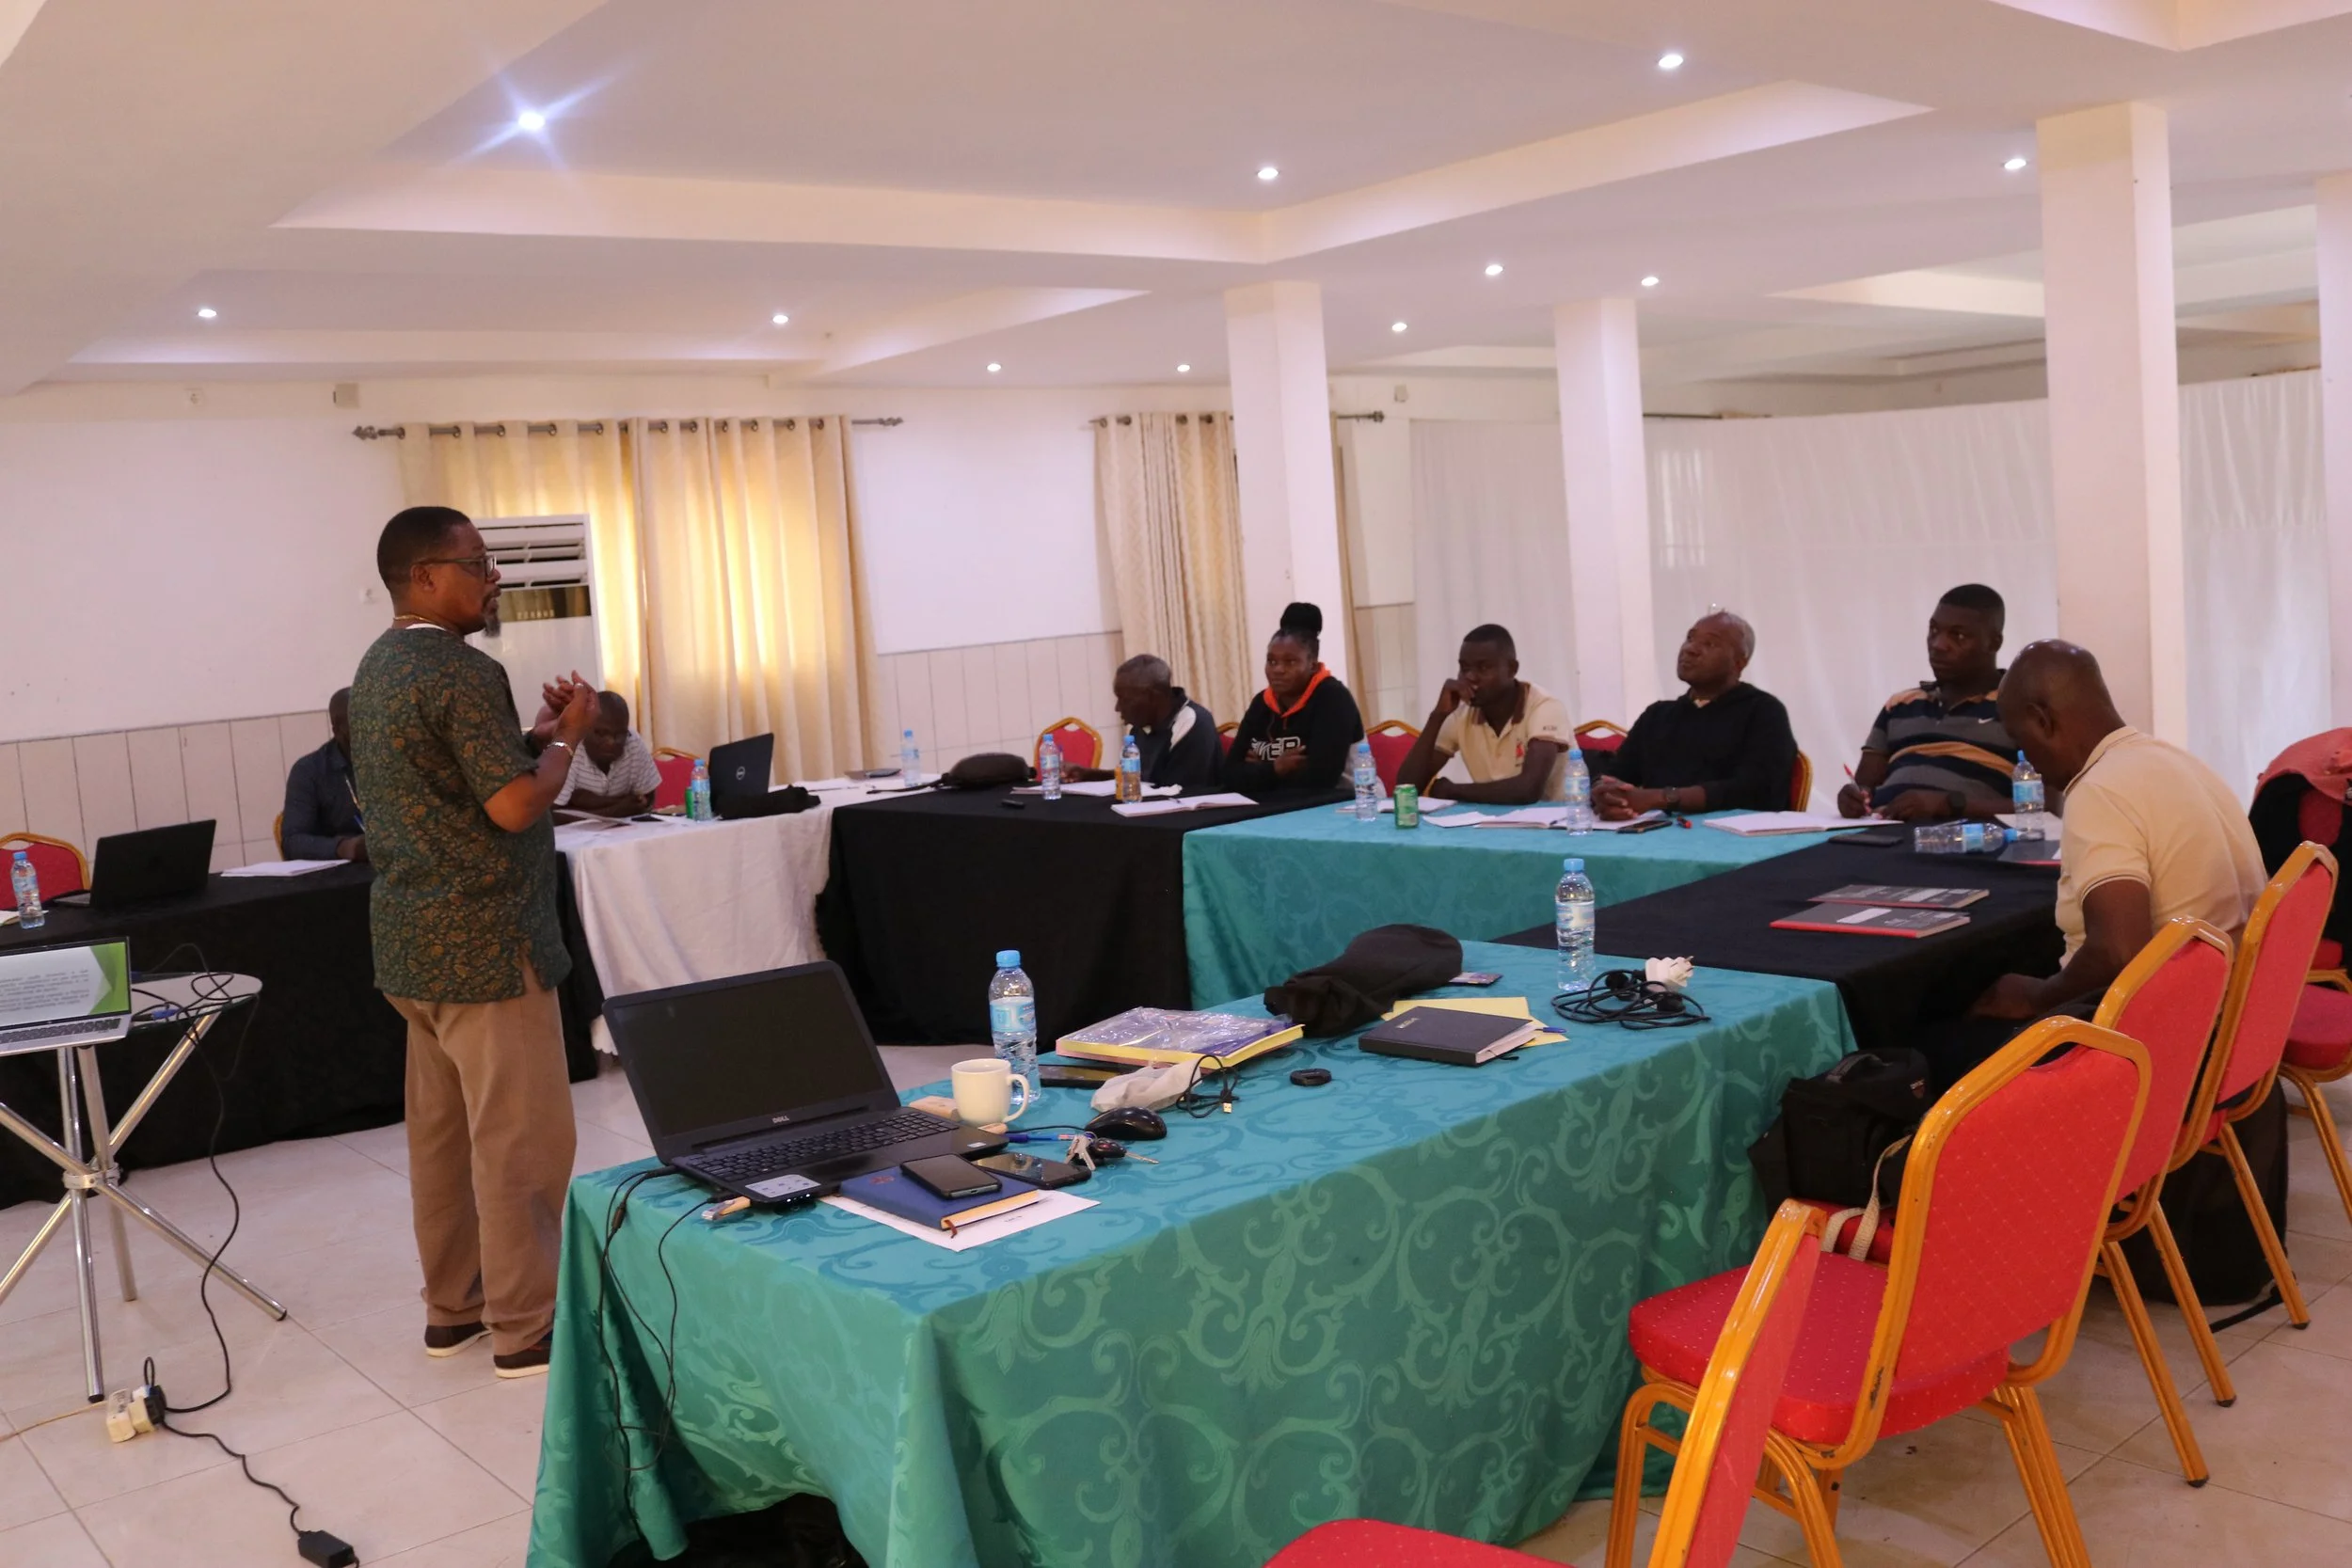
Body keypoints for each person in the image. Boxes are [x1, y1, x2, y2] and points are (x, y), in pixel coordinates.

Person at [349, 504, 597, 1379]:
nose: (493, 578)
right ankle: (527, 1324)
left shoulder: (377, 667)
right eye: (476, 563)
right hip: (488, 947)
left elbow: (457, 775)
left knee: (444, 1143)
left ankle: (453, 1309)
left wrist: (532, 736)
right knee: (518, 1142)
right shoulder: (459, 669)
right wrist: (567, 739)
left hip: (414, 949)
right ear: (423, 576)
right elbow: (513, 805)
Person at [1928, 640, 2265, 1090]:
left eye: (2021, 743)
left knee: (1933, 1049)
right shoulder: (2173, 760)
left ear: (2042, 720)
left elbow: (2119, 952)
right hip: (2234, 1033)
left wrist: (2037, 996)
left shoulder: (2099, 789)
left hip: (2159, 1054)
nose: (2027, 763)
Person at [1590, 611, 1799, 818]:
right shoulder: (1658, 715)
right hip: (1657, 835)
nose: (1690, 649)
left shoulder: (1763, 711)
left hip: (1737, 840)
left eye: (1709, 644)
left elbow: (1755, 789)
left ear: (1739, 663)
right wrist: (1606, 794)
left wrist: (1661, 798)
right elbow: (1617, 774)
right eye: (1690, 638)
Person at [1837, 584, 2016, 822]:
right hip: (1882, 833)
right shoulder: (1900, 705)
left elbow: (2042, 808)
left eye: (1958, 635)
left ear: (1994, 643)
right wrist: (1852, 798)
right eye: (1934, 630)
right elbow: (1863, 787)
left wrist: (1949, 804)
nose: (1938, 644)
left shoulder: (2019, 708)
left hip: (1963, 842)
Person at [1393, 624, 1570, 804]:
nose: (1470, 677)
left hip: (1558, 824)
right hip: (1493, 824)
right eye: (1464, 668)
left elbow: (1528, 789)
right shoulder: (1461, 714)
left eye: (1483, 668)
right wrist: (1437, 715)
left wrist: (1453, 790)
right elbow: (1407, 787)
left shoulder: (1544, 706)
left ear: (1512, 669)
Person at [1220, 603, 1365, 795]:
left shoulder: (1333, 698)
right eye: (1272, 661)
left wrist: (1258, 772)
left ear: (1312, 665)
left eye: (1290, 662)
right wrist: (1275, 768)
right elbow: (1229, 775)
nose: (1278, 669)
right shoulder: (1261, 703)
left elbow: (1321, 780)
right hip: (1275, 808)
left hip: (1347, 806)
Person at [1063, 655, 1221, 792]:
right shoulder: (1142, 725)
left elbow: (1178, 792)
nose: (1118, 708)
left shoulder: (1192, 723)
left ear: (1153, 698)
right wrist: (1091, 775)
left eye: (1125, 699)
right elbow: (1136, 778)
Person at [282, 687, 367, 861]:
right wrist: (345, 848)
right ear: (337, 728)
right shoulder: (309, 770)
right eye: (360, 721)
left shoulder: (394, 759)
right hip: (339, 877)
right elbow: (293, 842)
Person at [554, 691, 661, 816]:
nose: (611, 742)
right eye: (601, 733)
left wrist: (586, 801)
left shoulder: (632, 741)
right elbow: (553, 815)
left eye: (619, 735)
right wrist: (615, 810)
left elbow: (645, 802)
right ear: (585, 728)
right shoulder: (571, 745)